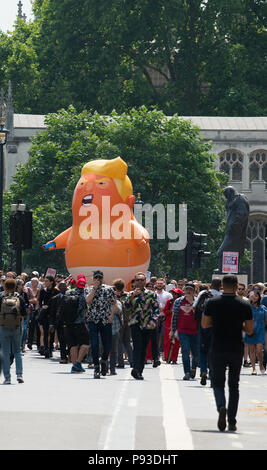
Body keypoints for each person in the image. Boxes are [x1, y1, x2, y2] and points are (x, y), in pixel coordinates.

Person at [202, 274, 253, 432]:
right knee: (234, 385)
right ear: (237, 285)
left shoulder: (212, 302)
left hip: (218, 346)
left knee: (217, 383)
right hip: (236, 347)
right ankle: (232, 420)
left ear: (222, 285)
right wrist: (240, 326)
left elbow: (204, 324)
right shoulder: (244, 305)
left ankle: (221, 406)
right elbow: (250, 330)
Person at [124, 272, 160, 380]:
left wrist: (153, 321)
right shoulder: (130, 294)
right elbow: (126, 307)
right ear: (134, 282)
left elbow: (156, 309)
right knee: (137, 346)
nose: (140, 282)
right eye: (138, 280)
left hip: (148, 324)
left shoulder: (151, 294)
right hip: (136, 323)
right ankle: (135, 368)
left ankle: (139, 370)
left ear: (145, 281)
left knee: (144, 347)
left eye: (142, 280)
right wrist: (132, 296)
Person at [86, 271, 116, 379]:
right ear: (93, 279)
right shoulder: (89, 289)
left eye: (100, 277)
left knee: (107, 344)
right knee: (94, 345)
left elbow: (114, 304)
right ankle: (96, 367)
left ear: (103, 278)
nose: (98, 279)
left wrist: (111, 315)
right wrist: (94, 288)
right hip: (93, 320)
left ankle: (103, 359)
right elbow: (87, 301)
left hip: (105, 320)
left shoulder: (109, 289)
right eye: (96, 277)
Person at [194, 278, 222, 386]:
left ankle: (203, 371)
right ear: (220, 286)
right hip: (216, 327)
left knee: (202, 350)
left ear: (211, 285)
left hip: (203, 325)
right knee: (213, 350)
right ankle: (212, 373)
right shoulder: (221, 296)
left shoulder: (203, 294)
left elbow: (195, 307)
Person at [0, 279, 27, 384]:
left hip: (3, 327)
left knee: (6, 352)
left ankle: (7, 377)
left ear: (5, 287)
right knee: (17, 351)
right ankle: (19, 374)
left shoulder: (1, 297)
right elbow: (24, 313)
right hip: (16, 327)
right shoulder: (19, 297)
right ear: (15, 286)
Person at [171, 283, 198, 380]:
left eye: (191, 289)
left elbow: (201, 316)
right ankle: (187, 372)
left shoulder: (197, 301)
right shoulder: (178, 301)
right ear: (184, 290)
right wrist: (173, 330)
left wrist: (193, 306)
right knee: (185, 351)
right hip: (182, 331)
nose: (189, 291)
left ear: (194, 291)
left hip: (196, 331)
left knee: (196, 353)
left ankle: (193, 368)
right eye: (187, 289)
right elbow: (174, 316)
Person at [63, 275, 90, 373]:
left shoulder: (68, 292)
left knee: (72, 344)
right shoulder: (84, 295)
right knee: (86, 343)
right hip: (79, 323)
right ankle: (78, 362)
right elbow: (86, 308)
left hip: (68, 323)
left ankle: (74, 366)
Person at [244, 291, 267, 375]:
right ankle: (254, 368)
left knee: (259, 349)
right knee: (252, 349)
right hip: (250, 330)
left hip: (260, 330)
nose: (254, 297)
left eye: (256, 296)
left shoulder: (263, 308)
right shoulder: (248, 307)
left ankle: (261, 364)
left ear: (259, 297)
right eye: (252, 296)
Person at [38, 275, 59, 358]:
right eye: (45, 281)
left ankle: (50, 349)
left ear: (51, 282)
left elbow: (57, 303)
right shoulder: (43, 291)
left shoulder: (56, 291)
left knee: (52, 332)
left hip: (53, 315)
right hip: (45, 314)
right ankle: (46, 349)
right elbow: (40, 302)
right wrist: (42, 307)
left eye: (47, 281)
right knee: (45, 332)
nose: (45, 283)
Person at [114, 279, 133, 369]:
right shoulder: (128, 295)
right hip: (128, 320)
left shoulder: (114, 296)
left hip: (119, 321)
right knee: (127, 342)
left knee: (119, 342)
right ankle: (132, 361)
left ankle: (120, 363)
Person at [49, 281, 69, 364]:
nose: (64, 288)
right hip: (59, 322)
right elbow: (52, 313)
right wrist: (52, 324)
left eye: (65, 286)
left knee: (70, 340)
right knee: (62, 340)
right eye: (62, 286)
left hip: (69, 322)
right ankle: (63, 357)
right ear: (59, 288)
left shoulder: (70, 297)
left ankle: (70, 355)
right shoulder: (55, 299)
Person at [163, 288, 182, 363]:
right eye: (173, 293)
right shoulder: (169, 301)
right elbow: (165, 311)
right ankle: (168, 357)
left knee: (176, 343)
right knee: (167, 341)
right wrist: (170, 311)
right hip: (168, 324)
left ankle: (174, 358)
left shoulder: (181, 302)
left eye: (175, 294)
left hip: (178, 324)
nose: (173, 295)